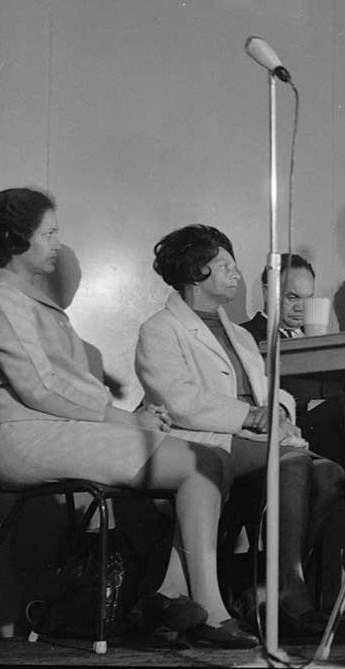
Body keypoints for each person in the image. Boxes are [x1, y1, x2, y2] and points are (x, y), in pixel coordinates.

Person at [0, 189, 250, 647]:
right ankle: (207, 609)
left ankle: (170, 593)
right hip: (21, 434)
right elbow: (38, 388)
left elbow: (67, 384)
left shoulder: (29, 300)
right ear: (17, 240)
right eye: (49, 233)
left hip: (62, 425)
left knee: (211, 458)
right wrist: (124, 420)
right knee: (201, 462)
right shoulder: (5, 300)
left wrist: (131, 414)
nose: (57, 243)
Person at [135, 225, 344, 637]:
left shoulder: (240, 335)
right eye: (224, 266)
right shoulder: (160, 329)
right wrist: (250, 417)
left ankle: (271, 586)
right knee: (295, 462)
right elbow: (179, 401)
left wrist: (276, 411)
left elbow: (272, 391)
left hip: (253, 438)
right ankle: (292, 592)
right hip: (204, 439)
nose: (236, 275)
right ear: (196, 273)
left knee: (331, 473)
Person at [241, 253, 345, 531]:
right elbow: (251, 396)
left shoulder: (320, 339)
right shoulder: (245, 337)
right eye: (292, 297)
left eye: (307, 298)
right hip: (289, 432)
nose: (301, 308)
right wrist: (309, 404)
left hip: (333, 437)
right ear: (268, 291)